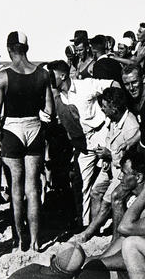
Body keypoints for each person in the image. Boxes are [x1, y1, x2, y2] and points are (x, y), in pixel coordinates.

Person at [0, 32, 54, 250]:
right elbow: (49, 110)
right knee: (33, 189)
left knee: (16, 191)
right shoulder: (42, 74)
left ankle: (20, 240)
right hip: (34, 128)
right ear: (27, 48)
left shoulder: (4, 75)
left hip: (13, 130)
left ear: (9, 49)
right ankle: (36, 240)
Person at [47, 60, 120, 228]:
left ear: (63, 75)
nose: (48, 78)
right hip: (81, 143)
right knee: (81, 184)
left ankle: (113, 221)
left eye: (51, 75)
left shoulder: (85, 85)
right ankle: (85, 224)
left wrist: (116, 112)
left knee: (112, 176)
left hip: (101, 135)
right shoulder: (55, 96)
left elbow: (112, 84)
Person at [77, 150, 145, 278]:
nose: (119, 177)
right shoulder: (134, 198)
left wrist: (96, 262)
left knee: (89, 270)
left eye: (124, 173)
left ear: (139, 177)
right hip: (130, 260)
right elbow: (122, 239)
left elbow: (135, 256)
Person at [75, 87, 140, 242]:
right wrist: (106, 158)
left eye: (104, 106)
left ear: (114, 108)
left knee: (107, 201)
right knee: (95, 192)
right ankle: (96, 231)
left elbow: (129, 162)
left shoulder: (131, 126)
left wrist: (109, 155)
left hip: (122, 172)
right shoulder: (113, 120)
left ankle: (88, 234)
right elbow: (111, 142)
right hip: (110, 167)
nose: (102, 109)